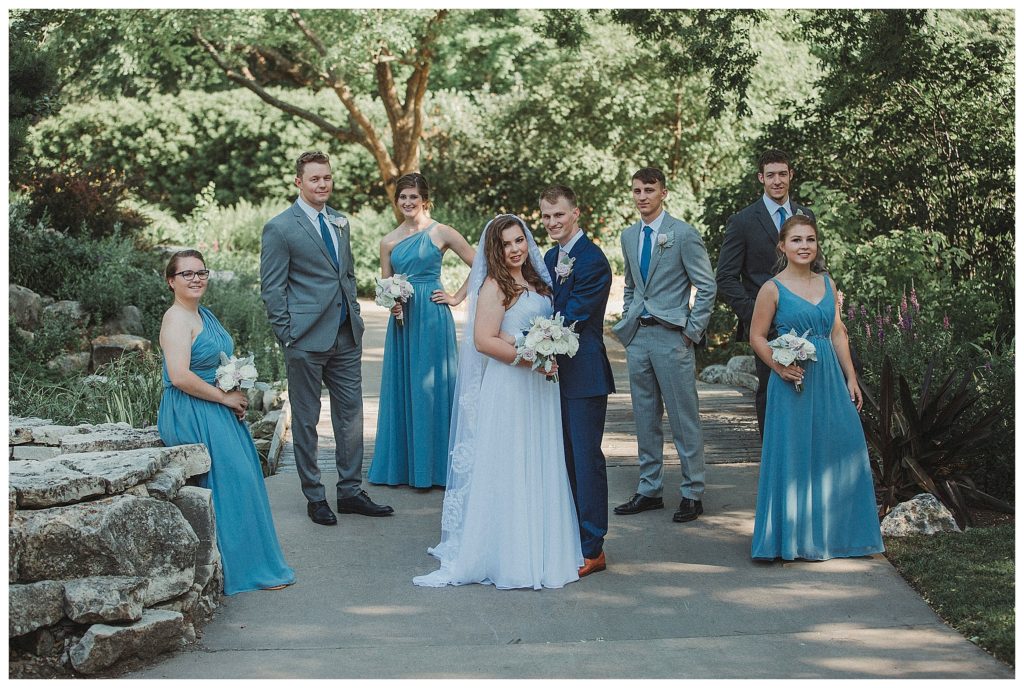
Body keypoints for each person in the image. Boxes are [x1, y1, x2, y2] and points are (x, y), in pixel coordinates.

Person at [413, 214, 584, 589]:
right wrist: (531, 357)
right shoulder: (493, 286)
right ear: (495, 248)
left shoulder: (539, 281)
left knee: (539, 459)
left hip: (540, 390)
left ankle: (542, 547)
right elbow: (484, 341)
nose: (515, 249)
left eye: (519, 240)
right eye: (506, 244)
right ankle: (508, 552)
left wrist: (547, 350)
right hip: (510, 387)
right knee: (510, 463)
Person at [260, 150, 392, 526]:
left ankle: (350, 491)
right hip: (303, 339)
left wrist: (356, 316)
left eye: (327, 178)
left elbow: (345, 274)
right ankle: (315, 496)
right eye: (315, 178)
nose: (323, 184)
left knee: (351, 417)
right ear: (298, 182)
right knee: (306, 419)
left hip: (345, 335)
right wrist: (288, 334)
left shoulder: (339, 222)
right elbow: (272, 288)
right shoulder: (280, 227)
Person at [157, 249, 295, 595]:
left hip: (215, 405)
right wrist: (223, 397)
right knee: (232, 480)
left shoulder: (205, 314)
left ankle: (251, 561)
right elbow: (179, 376)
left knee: (245, 478)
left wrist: (234, 389)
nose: (196, 279)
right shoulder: (175, 319)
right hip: (190, 408)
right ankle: (241, 569)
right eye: (186, 274)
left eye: (201, 272)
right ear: (171, 281)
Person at [748, 215, 884, 561]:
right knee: (795, 454)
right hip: (793, 382)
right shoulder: (772, 288)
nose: (804, 245)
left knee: (843, 445)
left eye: (810, 239)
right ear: (782, 246)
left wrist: (850, 376)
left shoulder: (826, 281)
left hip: (829, 379)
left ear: (817, 244)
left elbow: (838, 332)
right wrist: (779, 367)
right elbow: (757, 337)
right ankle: (792, 540)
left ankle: (840, 537)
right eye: (796, 240)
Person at [611, 167, 717, 524]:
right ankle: (649, 489)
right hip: (638, 337)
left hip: (673, 336)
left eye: (649, 190)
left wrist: (691, 332)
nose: (642, 196)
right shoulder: (628, 236)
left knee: (683, 417)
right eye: (637, 190)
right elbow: (630, 283)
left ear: (663, 193)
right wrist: (628, 314)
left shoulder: (682, 234)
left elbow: (707, 286)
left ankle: (692, 492)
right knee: (644, 416)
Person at [368, 173, 475, 488]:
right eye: (403, 197)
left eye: (413, 197)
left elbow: (482, 263)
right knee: (406, 387)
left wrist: (456, 297)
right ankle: (404, 468)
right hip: (404, 321)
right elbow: (386, 285)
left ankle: (438, 469)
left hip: (432, 315)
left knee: (433, 389)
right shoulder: (388, 241)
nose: (408, 202)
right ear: (397, 200)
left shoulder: (441, 232)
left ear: (425, 199)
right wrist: (392, 304)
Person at [539, 185, 614, 577]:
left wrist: (532, 338)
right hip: (552, 375)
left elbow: (572, 315)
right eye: (547, 217)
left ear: (576, 214)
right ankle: (568, 536)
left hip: (584, 372)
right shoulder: (551, 257)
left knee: (586, 460)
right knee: (562, 458)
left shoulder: (592, 260)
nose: (552, 223)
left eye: (559, 215)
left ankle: (592, 546)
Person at [716, 149, 816, 436]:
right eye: (770, 175)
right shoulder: (743, 221)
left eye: (782, 174)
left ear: (791, 176)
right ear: (761, 178)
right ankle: (772, 458)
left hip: (806, 319)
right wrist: (754, 314)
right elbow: (725, 277)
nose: (777, 180)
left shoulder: (805, 215)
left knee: (809, 387)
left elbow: (816, 264)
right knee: (771, 389)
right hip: (766, 325)